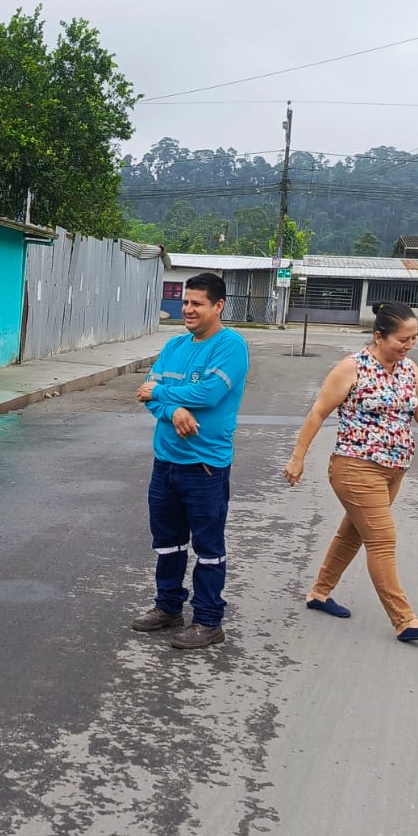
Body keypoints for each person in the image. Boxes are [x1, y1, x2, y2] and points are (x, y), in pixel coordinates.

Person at [282, 300, 418, 643]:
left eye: (414, 338)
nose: (409, 346)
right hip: (355, 467)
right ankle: (404, 620)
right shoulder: (353, 367)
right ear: (379, 336)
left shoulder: (409, 369)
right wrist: (297, 457)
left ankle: (319, 593)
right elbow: (318, 412)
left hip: (394, 469)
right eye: (402, 339)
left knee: (353, 533)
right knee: (381, 539)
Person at [131, 271, 250, 650]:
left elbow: (209, 393)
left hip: (205, 466)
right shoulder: (174, 346)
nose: (188, 309)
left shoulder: (231, 346)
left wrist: (163, 393)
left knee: (208, 547)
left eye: (197, 303)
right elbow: (145, 396)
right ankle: (168, 607)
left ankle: (209, 620)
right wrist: (173, 411)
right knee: (167, 542)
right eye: (185, 302)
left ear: (218, 306)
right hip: (165, 463)